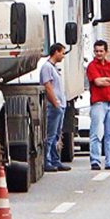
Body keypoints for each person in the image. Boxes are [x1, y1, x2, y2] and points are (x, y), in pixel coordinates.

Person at [87, 39, 110, 171]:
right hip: (98, 103)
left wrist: (106, 79)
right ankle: (95, 161)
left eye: (101, 51)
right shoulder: (92, 66)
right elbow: (98, 82)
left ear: (106, 52)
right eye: (96, 51)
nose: (99, 53)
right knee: (96, 134)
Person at [39, 44, 71, 172]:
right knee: (50, 135)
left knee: (57, 135)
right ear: (56, 52)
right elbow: (48, 87)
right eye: (62, 53)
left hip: (60, 105)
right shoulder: (47, 67)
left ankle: (55, 160)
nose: (63, 56)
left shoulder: (53, 68)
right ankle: (47, 161)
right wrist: (56, 104)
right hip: (54, 106)